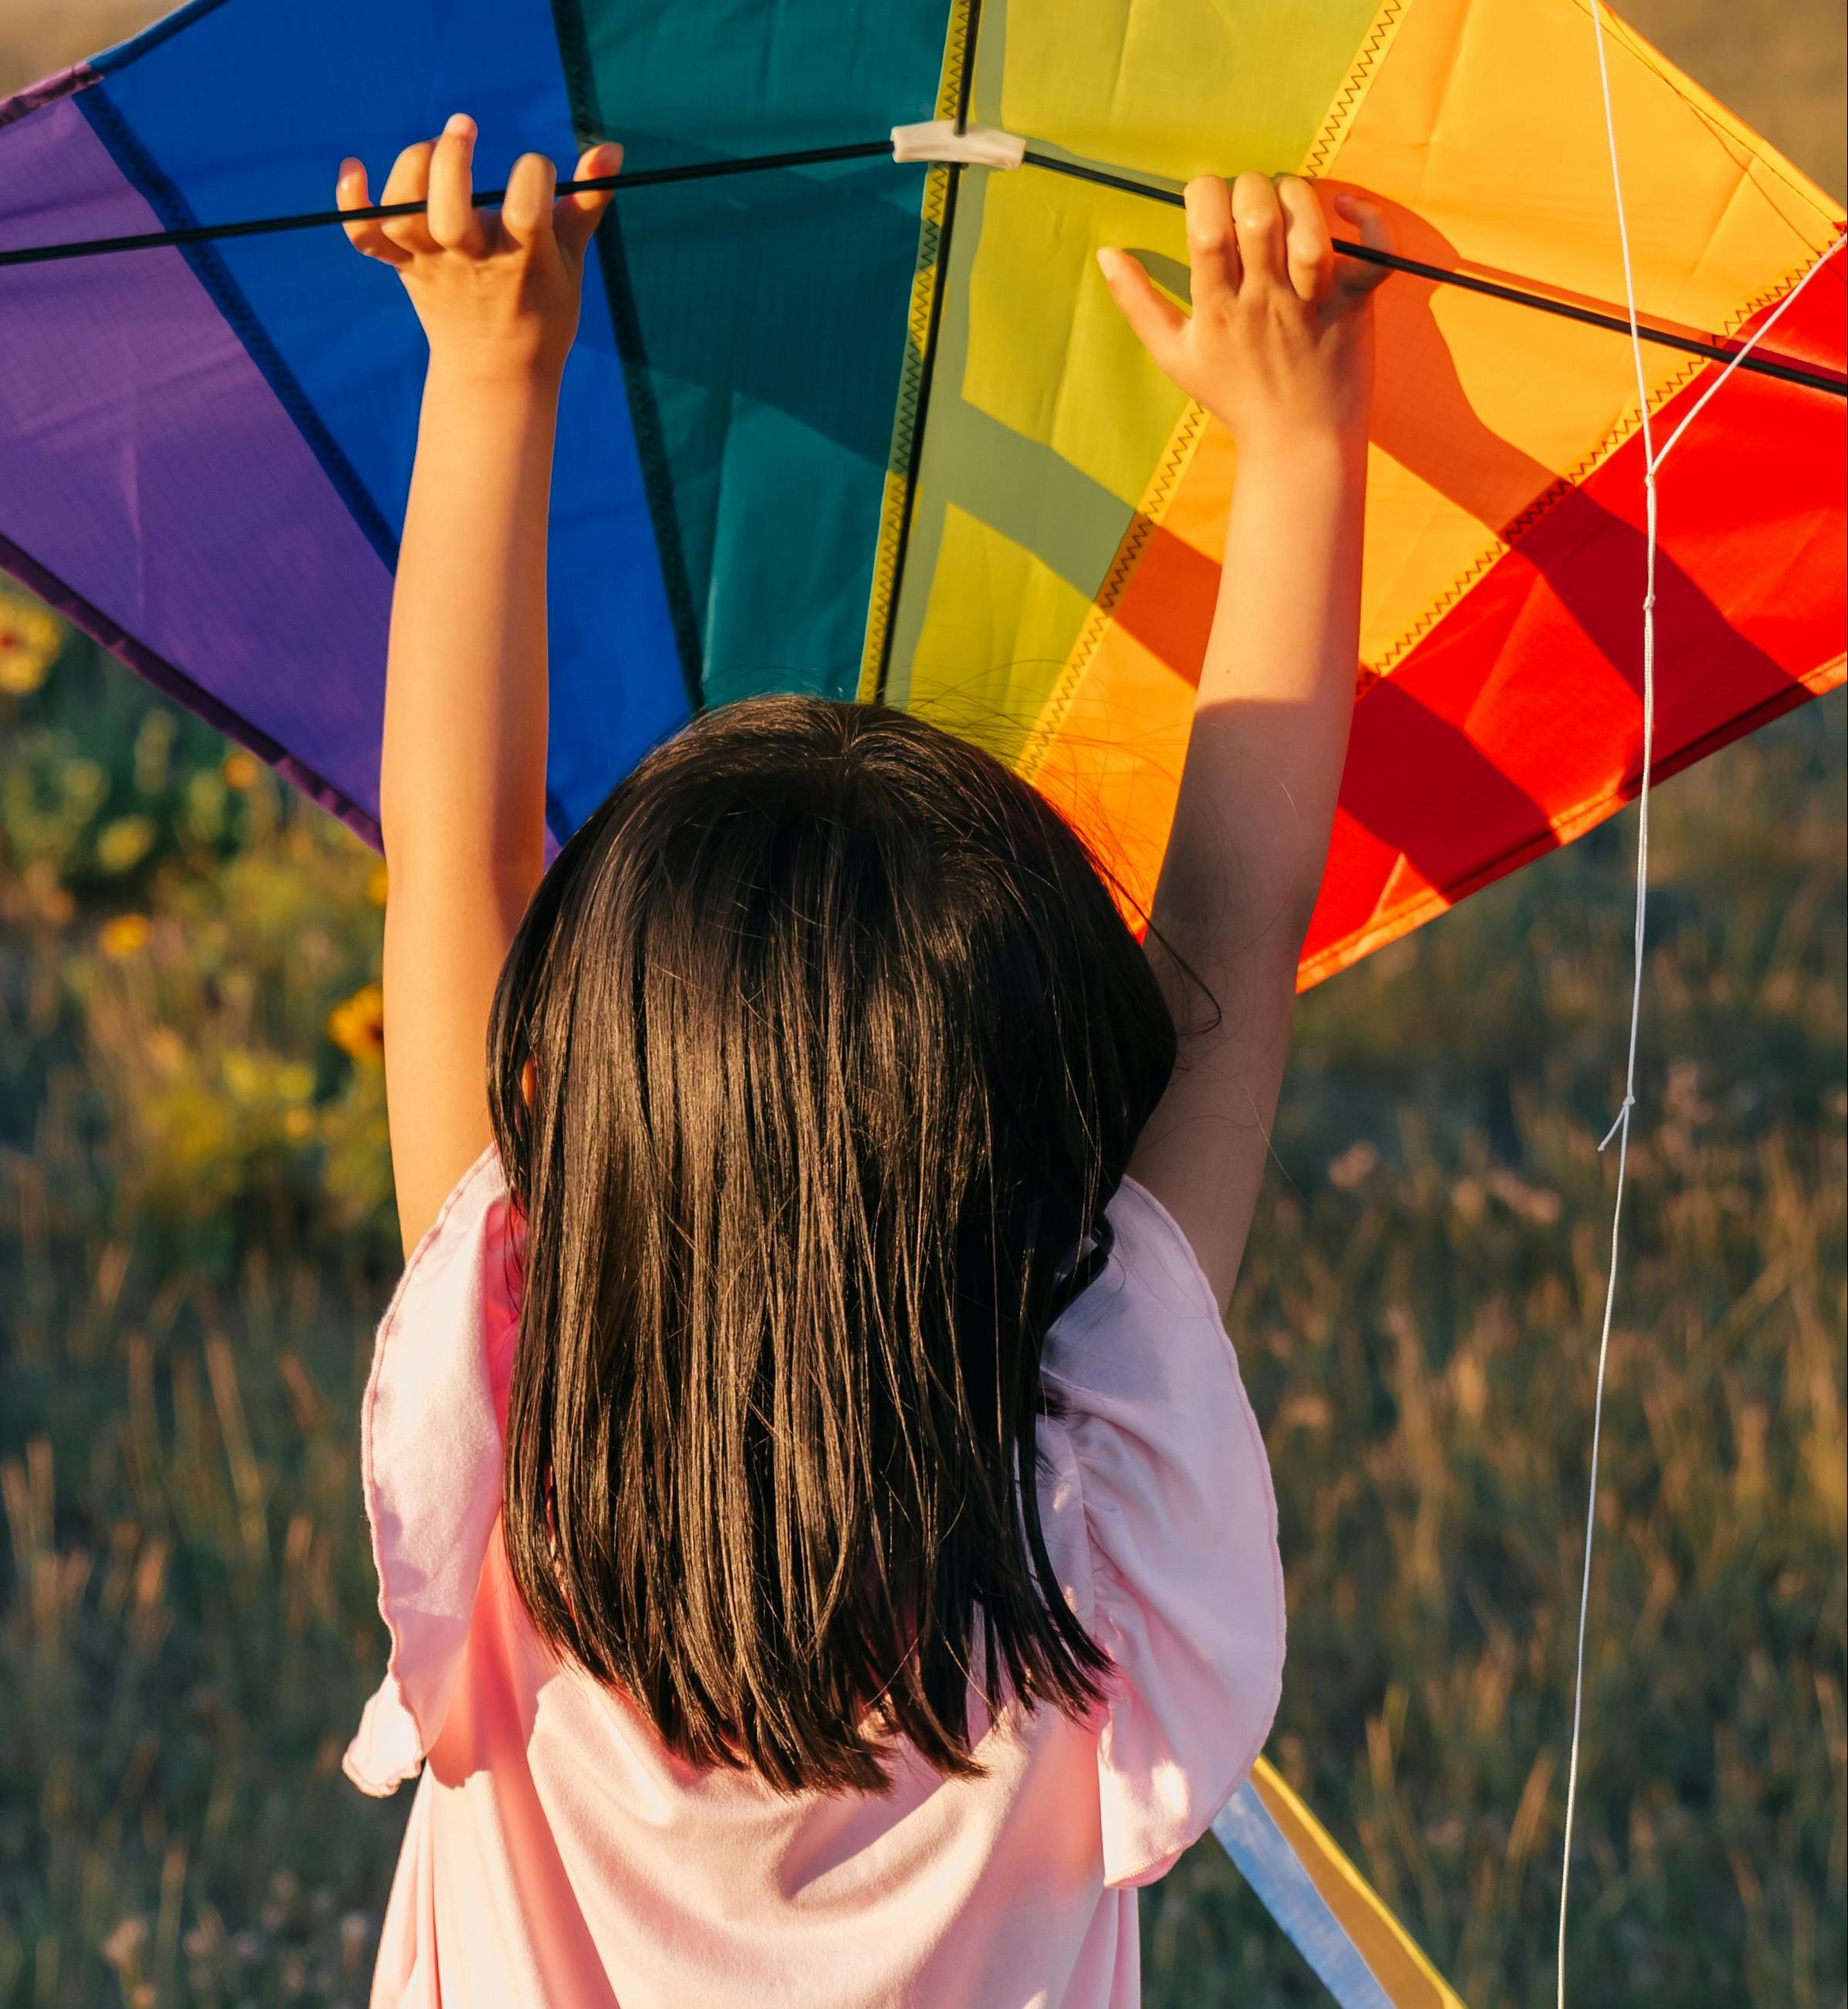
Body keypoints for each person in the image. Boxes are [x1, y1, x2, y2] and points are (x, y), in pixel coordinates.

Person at [333, 113, 1386, 2009]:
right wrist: (1306, 445)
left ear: (590, 1114)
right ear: (1041, 1149)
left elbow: (461, 859)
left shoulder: (510, 1432)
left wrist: (490, 372)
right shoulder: (1092, 1514)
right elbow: (1223, 942)